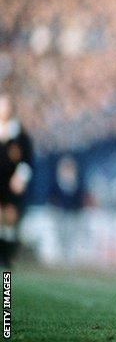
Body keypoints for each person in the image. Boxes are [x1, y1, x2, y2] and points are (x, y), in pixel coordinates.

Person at [0, 93, 33, 268]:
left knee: (10, 217)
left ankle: (7, 255)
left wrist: (20, 177)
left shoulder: (19, 133)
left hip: (11, 183)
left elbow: (27, 159)